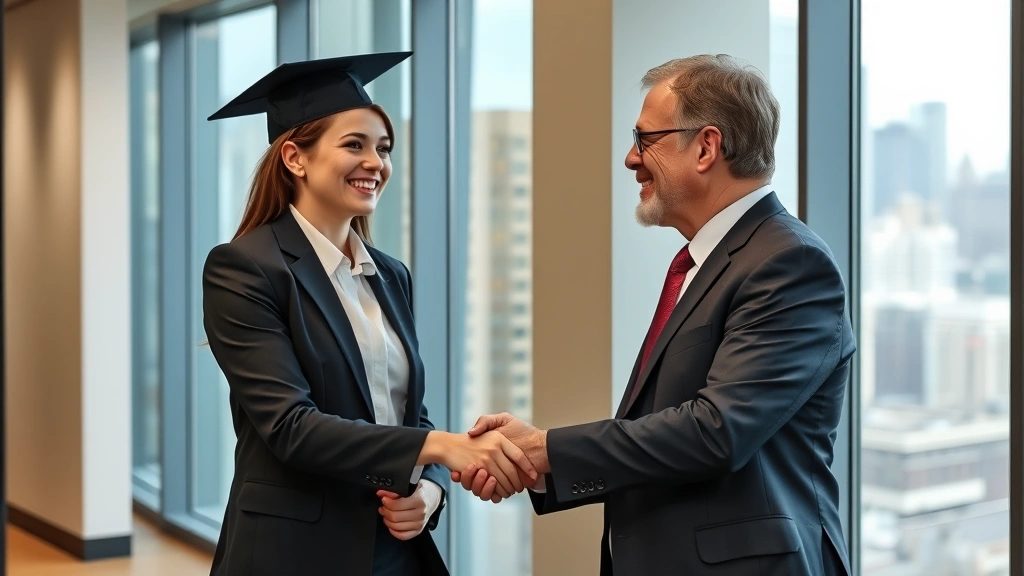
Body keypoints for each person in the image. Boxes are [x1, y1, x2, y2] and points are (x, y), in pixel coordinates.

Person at [454, 54, 856, 576]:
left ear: (707, 146)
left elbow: (716, 431)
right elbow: (661, 432)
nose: (630, 158)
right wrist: (536, 464)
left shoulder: (790, 263)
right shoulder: (707, 261)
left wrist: (547, 449)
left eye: (645, 139)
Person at [202, 51, 536, 576]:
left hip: (392, 546)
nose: (376, 163)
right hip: (294, 551)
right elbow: (291, 427)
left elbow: (407, 411)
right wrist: (446, 449)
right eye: (354, 145)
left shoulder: (390, 273)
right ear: (295, 157)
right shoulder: (244, 268)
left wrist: (430, 490)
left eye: (383, 148)